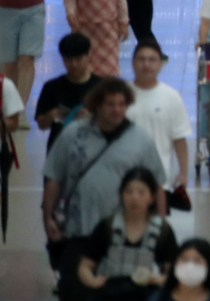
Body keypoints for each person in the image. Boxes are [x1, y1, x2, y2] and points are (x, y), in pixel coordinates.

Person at [42, 78, 167, 300]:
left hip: (122, 235)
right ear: (97, 104)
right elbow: (53, 176)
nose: (117, 110)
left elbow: (157, 184)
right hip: (78, 228)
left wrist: (160, 224)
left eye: (122, 104)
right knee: (74, 291)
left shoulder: (140, 139)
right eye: (110, 104)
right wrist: (48, 216)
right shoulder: (73, 134)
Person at [76, 166, 179, 300]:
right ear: (122, 194)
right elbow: (85, 266)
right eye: (128, 192)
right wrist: (93, 281)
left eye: (141, 193)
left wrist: (158, 279)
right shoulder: (107, 226)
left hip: (146, 292)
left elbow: (173, 274)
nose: (134, 198)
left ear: (152, 197)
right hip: (109, 292)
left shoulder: (162, 230)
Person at [126, 40, 192, 199]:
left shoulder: (171, 97)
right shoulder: (121, 95)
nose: (146, 64)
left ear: (161, 63)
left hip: (160, 180)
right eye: (141, 59)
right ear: (133, 63)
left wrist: (183, 173)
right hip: (124, 177)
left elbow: (179, 139)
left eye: (152, 60)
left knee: (156, 222)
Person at [35, 33, 103, 151]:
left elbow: (113, 121)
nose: (73, 64)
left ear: (88, 57)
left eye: (78, 59)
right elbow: (41, 124)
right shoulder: (51, 87)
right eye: (68, 60)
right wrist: (49, 117)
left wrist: (92, 119)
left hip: (92, 150)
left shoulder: (101, 87)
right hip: (58, 150)